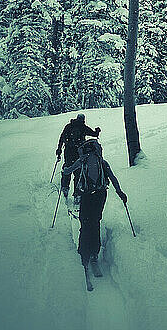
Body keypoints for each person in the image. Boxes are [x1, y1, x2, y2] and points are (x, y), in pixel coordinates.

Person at [62, 139, 127, 280]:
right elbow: (113, 178)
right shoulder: (102, 162)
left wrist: (64, 170)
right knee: (95, 223)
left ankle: (84, 253)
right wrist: (120, 192)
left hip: (86, 195)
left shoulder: (82, 161)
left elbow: (68, 171)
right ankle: (94, 255)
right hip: (100, 195)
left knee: (85, 223)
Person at [56, 114, 101, 199]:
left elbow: (62, 138)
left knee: (68, 168)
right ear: (83, 119)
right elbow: (94, 134)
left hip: (68, 152)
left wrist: (59, 150)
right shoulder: (83, 127)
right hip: (79, 152)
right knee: (79, 172)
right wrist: (97, 131)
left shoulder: (69, 126)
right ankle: (77, 194)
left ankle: (65, 188)